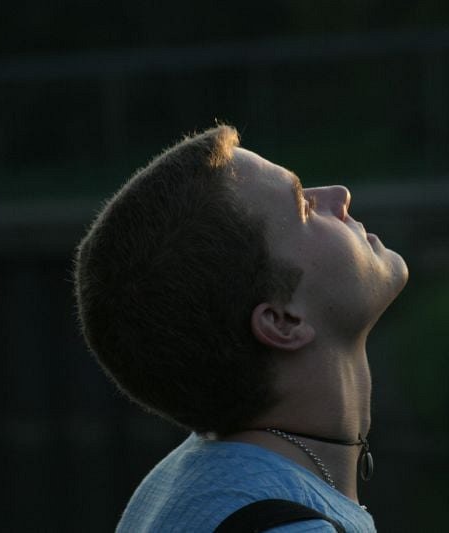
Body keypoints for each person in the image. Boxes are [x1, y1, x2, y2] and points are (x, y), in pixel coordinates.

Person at [73, 124, 408, 532]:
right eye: (304, 207)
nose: (339, 195)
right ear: (283, 321)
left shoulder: (175, 484)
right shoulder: (288, 526)